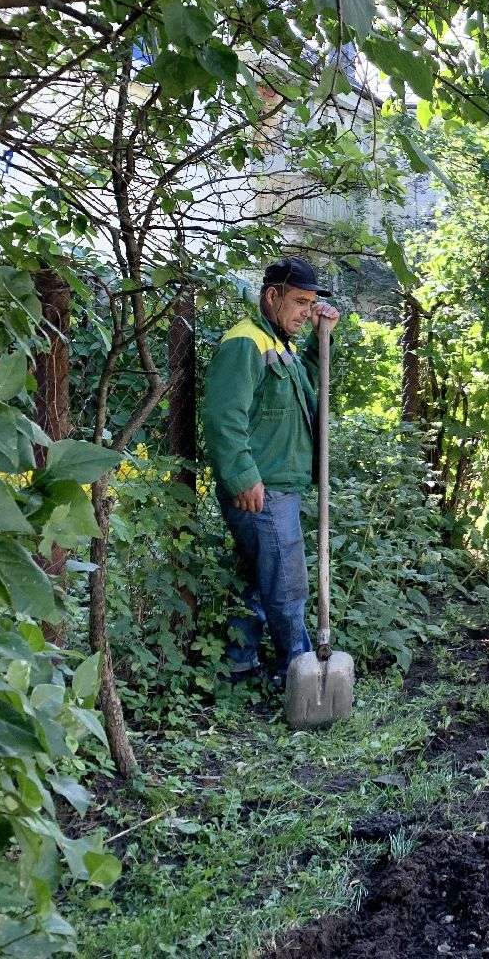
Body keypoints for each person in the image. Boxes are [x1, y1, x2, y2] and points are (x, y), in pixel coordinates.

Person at [203, 256, 341, 683]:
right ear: (271, 296)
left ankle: (238, 661)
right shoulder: (246, 342)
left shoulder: (280, 343)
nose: (306, 311)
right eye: (300, 302)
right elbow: (224, 416)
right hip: (263, 487)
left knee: (258, 578)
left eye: (311, 303)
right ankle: (300, 672)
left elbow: (310, 384)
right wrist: (243, 476)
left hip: (278, 484)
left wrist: (321, 337)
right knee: (286, 584)